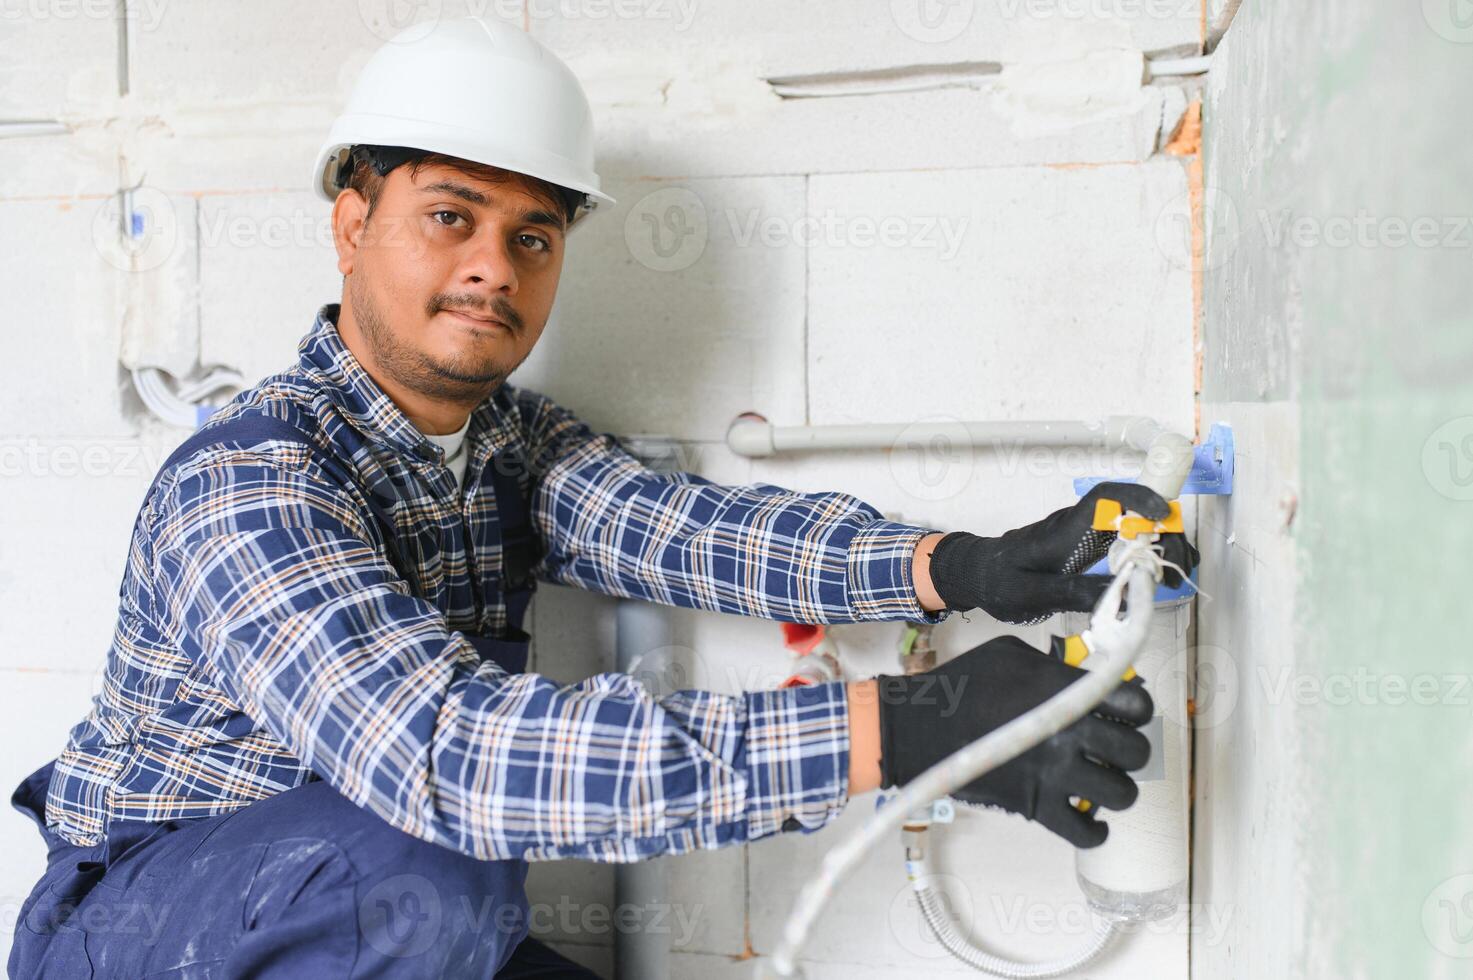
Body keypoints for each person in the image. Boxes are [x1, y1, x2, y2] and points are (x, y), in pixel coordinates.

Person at [7, 17, 1195, 979]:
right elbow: (454, 758)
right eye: (448, 217)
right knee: (438, 854)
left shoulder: (507, 442)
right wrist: (911, 727)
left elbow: (685, 532)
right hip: (144, 933)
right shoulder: (249, 486)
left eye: (533, 236)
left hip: (363, 903)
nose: (493, 266)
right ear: (351, 222)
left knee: (437, 880)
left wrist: (965, 563)